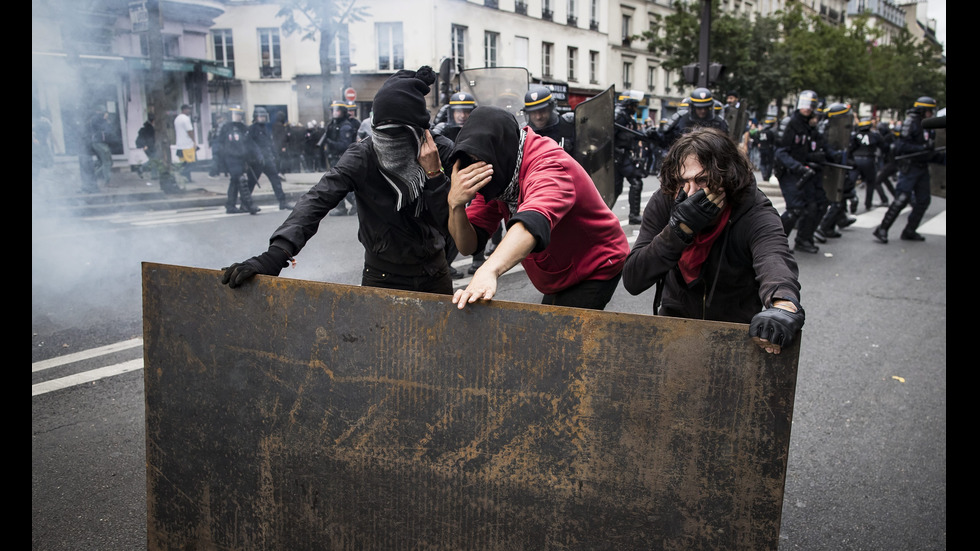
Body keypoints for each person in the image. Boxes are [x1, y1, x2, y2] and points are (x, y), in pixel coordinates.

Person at [222, 66, 457, 295]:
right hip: (382, 276)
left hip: (434, 274)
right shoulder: (363, 155)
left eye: (398, 133)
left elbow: (456, 221)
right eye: (382, 132)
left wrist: (435, 175)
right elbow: (318, 199)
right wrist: (277, 253)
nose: (388, 142)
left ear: (419, 130)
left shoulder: (440, 150)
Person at [623, 127, 804, 355]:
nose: (690, 193)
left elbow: (774, 259)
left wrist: (783, 306)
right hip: (675, 326)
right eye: (683, 181)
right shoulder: (667, 200)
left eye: (703, 181)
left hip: (735, 332)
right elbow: (633, 278)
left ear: (726, 178)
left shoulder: (754, 211)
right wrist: (678, 231)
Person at [446, 106, 629, 311]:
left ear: (500, 152)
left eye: (479, 161)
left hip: (595, 264)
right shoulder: (497, 171)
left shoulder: (549, 165)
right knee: (549, 334)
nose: (475, 170)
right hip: (558, 269)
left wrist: (488, 270)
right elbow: (468, 246)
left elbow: (533, 221)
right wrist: (456, 204)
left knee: (561, 339)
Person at [873, 96, 945, 243]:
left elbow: (929, 150)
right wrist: (923, 148)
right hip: (910, 166)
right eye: (929, 111)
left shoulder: (927, 125)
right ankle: (882, 229)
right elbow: (901, 147)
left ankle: (910, 230)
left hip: (922, 167)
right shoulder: (911, 122)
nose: (931, 114)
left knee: (923, 200)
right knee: (902, 199)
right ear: (923, 110)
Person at [774, 90, 825, 254]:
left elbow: (805, 149)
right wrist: (798, 167)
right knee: (795, 209)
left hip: (803, 171)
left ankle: (803, 239)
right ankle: (774, 244)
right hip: (789, 171)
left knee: (813, 206)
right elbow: (781, 152)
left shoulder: (808, 124)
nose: (807, 108)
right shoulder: (790, 122)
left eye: (810, 105)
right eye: (804, 104)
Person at [214, 105, 261, 215]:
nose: (238, 116)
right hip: (230, 158)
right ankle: (249, 205)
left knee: (234, 181)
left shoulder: (244, 128)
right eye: (236, 114)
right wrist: (217, 159)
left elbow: (249, 143)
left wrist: (256, 154)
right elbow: (218, 143)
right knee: (240, 179)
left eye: (239, 114)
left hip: (241, 158)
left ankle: (230, 205)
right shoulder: (225, 127)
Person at [247, 106, 294, 211]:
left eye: (264, 116)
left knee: (276, 180)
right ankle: (245, 203)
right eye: (260, 116)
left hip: (267, 159)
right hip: (257, 161)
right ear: (255, 117)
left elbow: (269, 143)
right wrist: (257, 155)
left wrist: (274, 155)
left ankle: (282, 202)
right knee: (251, 183)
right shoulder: (252, 129)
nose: (262, 118)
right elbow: (251, 144)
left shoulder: (265, 128)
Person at [320, 101, 359, 216]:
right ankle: (342, 207)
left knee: (340, 184)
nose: (335, 113)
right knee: (336, 184)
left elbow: (344, 145)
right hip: (334, 158)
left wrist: (329, 142)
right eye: (333, 110)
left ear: (343, 112)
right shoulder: (333, 124)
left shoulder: (345, 126)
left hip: (342, 158)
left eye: (337, 110)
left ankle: (355, 202)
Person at [614, 92, 646, 224]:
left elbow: (631, 134)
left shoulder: (627, 117)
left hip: (624, 155)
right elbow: (608, 135)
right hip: (618, 156)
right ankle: (633, 216)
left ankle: (634, 215)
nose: (636, 107)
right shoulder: (618, 115)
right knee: (619, 187)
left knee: (627, 184)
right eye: (635, 105)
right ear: (629, 104)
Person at [522, 85, 575, 154]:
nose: (538, 117)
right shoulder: (524, 134)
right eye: (533, 113)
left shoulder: (568, 125)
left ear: (550, 109)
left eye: (542, 111)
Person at [89, 109, 113, 186]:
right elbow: (103, 129)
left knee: (108, 163)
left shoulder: (100, 119)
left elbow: (108, 131)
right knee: (107, 163)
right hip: (98, 143)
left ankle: (93, 176)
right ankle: (106, 181)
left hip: (102, 143)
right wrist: (105, 121)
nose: (107, 115)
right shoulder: (96, 119)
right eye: (106, 113)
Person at [174, 104, 196, 182]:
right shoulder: (186, 119)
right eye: (189, 109)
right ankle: (186, 177)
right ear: (184, 110)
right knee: (189, 163)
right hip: (187, 145)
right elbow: (189, 131)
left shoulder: (177, 118)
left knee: (183, 163)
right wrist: (194, 141)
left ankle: (186, 178)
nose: (190, 111)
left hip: (180, 145)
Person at [135, 113, 157, 178]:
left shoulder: (147, 127)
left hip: (146, 146)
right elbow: (149, 139)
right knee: (153, 160)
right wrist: (147, 146)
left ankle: (141, 170)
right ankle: (143, 170)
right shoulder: (149, 128)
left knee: (153, 160)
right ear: (153, 121)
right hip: (148, 147)